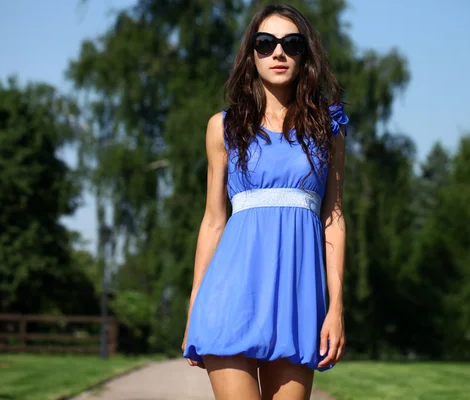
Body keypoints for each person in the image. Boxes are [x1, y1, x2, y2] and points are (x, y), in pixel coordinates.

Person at [181, 3, 348, 400]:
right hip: (230, 297)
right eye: (265, 43)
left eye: (291, 43)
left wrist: (336, 307)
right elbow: (212, 221)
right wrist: (194, 307)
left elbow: (334, 218)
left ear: (305, 54)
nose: (278, 53)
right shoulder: (222, 127)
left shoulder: (329, 129)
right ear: (250, 54)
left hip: (297, 304)